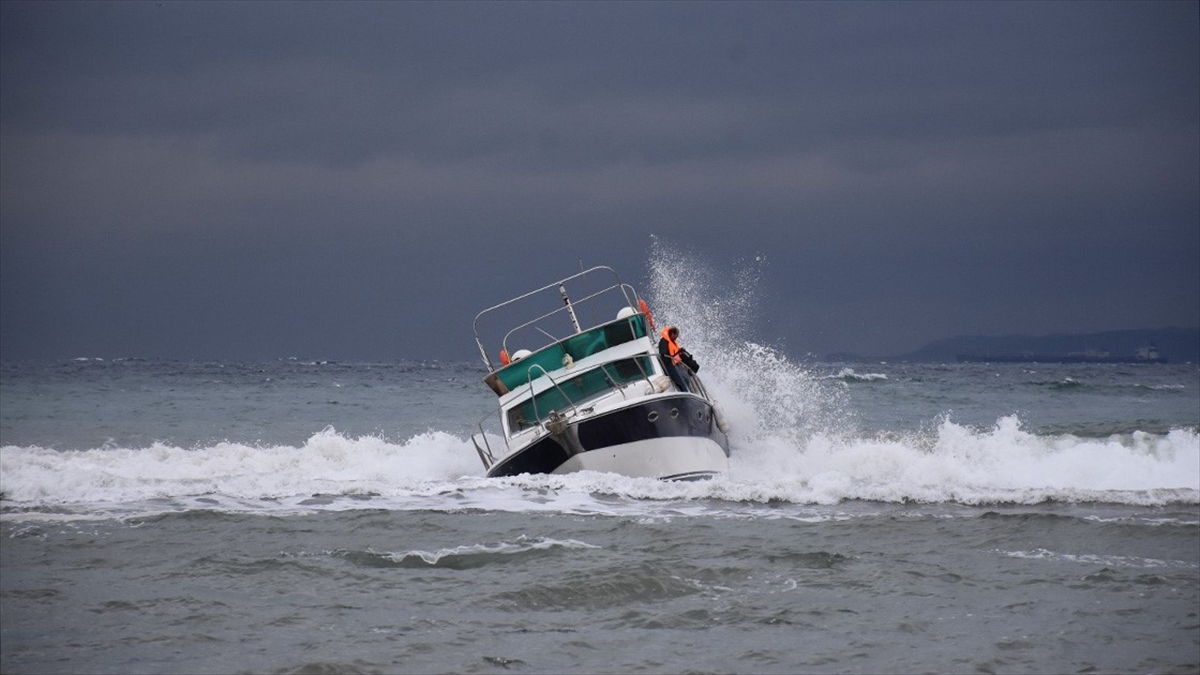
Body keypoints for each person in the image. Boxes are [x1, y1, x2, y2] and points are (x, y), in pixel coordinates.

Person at [658, 326, 697, 392]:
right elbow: (664, 355)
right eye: (676, 335)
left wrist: (680, 351)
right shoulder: (663, 342)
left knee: (686, 378)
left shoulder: (671, 341)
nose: (677, 338)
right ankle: (686, 394)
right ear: (673, 334)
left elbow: (673, 352)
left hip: (676, 364)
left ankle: (690, 392)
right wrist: (677, 353)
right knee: (682, 381)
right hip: (669, 365)